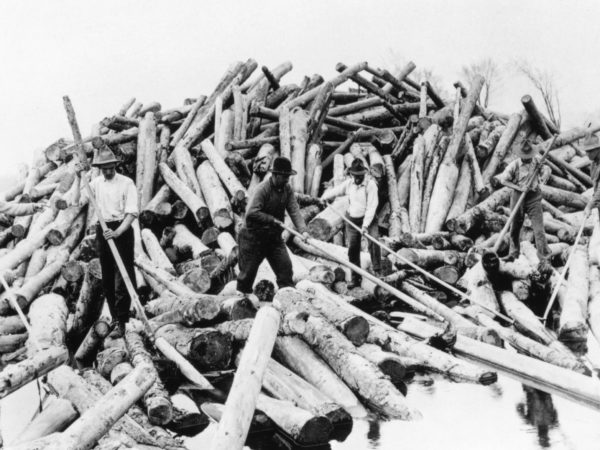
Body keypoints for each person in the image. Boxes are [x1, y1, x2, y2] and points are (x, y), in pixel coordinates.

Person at [78, 145, 138, 338]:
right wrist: (81, 176)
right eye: (105, 168)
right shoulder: (96, 183)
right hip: (103, 230)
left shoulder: (126, 183)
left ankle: (122, 320)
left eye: (111, 167)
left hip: (122, 230)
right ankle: (114, 318)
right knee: (108, 278)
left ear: (115, 165)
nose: (108, 171)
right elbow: (81, 200)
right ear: (101, 169)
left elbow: (131, 214)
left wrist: (118, 232)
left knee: (124, 276)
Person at [236, 157, 310, 296]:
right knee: (247, 273)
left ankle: (288, 298)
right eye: (284, 177)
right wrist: (271, 219)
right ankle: (242, 302)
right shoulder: (262, 189)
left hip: (274, 237)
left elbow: (294, 210)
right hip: (253, 236)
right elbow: (251, 213)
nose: (287, 180)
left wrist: (303, 230)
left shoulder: (287, 189)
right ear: (275, 175)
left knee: (285, 268)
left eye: (288, 176)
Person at [319, 158, 379, 288]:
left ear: (364, 174)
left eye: (359, 176)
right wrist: (325, 197)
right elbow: (337, 190)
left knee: (374, 242)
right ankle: (356, 277)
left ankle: (379, 273)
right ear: (352, 174)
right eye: (355, 176)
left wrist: (365, 225)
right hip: (352, 219)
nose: (357, 178)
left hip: (369, 218)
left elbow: (371, 207)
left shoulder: (370, 185)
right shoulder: (349, 183)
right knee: (353, 249)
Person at [492, 140, 551, 262]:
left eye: (529, 157)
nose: (527, 159)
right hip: (518, 197)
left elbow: (547, 169)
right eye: (525, 157)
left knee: (539, 230)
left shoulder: (537, 160)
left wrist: (544, 173)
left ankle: (545, 258)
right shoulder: (514, 165)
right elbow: (503, 180)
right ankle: (513, 254)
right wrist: (519, 187)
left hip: (534, 197)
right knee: (515, 227)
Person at [582, 135, 600, 223]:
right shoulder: (593, 165)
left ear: (597, 149)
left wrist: (589, 206)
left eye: (589, 151)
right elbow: (596, 188)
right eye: (586, 151)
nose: (587, 154)